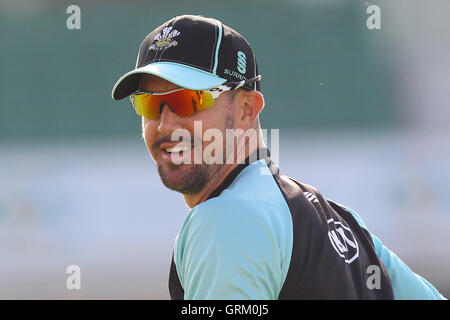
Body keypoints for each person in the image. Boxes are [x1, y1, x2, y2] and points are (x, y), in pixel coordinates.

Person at [112, 15, 445, 300]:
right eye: (149, 105)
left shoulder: (227, 220)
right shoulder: (341, 222)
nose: (165, 124)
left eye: (187, 100)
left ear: (246, 110)